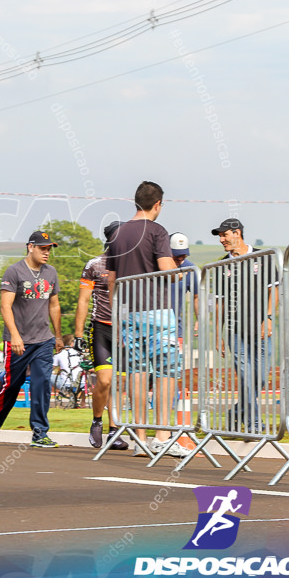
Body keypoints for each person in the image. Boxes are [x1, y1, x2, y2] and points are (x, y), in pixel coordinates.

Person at [107, 181, 191, 458]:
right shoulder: (157, 230)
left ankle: (140, 439)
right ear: (158, 205)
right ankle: (163, 435)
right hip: (157, 310)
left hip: (128, 312)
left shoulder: (117, 234)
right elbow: (167, 269)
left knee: (137, 374)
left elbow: (111, 280)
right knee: (167, 372)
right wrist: (180, 274)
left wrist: (118, 317)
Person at [0, 230, 63, 448]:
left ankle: (40, 433)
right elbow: (5, 306)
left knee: (42, 384)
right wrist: (15, 336)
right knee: (12, 385)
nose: (46, 253)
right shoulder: (14, 272)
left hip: (43, 340)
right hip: (18, 341)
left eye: (49, 249)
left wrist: (57, 336)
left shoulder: (51, 273)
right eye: (42, 248)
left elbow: (54, 305)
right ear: (31, 247)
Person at [211, 218, 279, 432]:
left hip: (261, 328)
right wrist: (217, 334)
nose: (222, 240)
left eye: (224, 235)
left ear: (237, 233)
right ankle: (254, 424)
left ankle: (237, 411)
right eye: (220, 236)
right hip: (234, 331)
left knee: (259, 377)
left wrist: (268, 318)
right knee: (246, 376)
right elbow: (220, 303)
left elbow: (274, 291)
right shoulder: (222, 265)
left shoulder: (263, 257)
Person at [73, 221, 128, 450]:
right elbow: (84, 300)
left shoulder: (130, 265)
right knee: (105, 381)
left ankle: (115, 430)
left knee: (120, 383)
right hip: (101, 327)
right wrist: (78, 333)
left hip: (125, 330)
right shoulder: (94, 265)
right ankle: (97, 421)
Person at [168, 232, 200, 345]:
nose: (180, 259)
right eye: (176, 256)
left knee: (175, 362)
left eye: (184, 256)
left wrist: (199, 319)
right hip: (152, 327)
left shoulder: (190, 269)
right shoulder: (155, 266)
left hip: (176, 329)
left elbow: (197, 296)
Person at [52, 334, 85, 407]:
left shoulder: (59, 354)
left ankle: (47, 399)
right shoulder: (79, 353)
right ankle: (81, 402)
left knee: (47, 376)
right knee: (82, 376)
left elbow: (51, 368)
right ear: (72, 343)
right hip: (81, 383)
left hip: (65, 384)